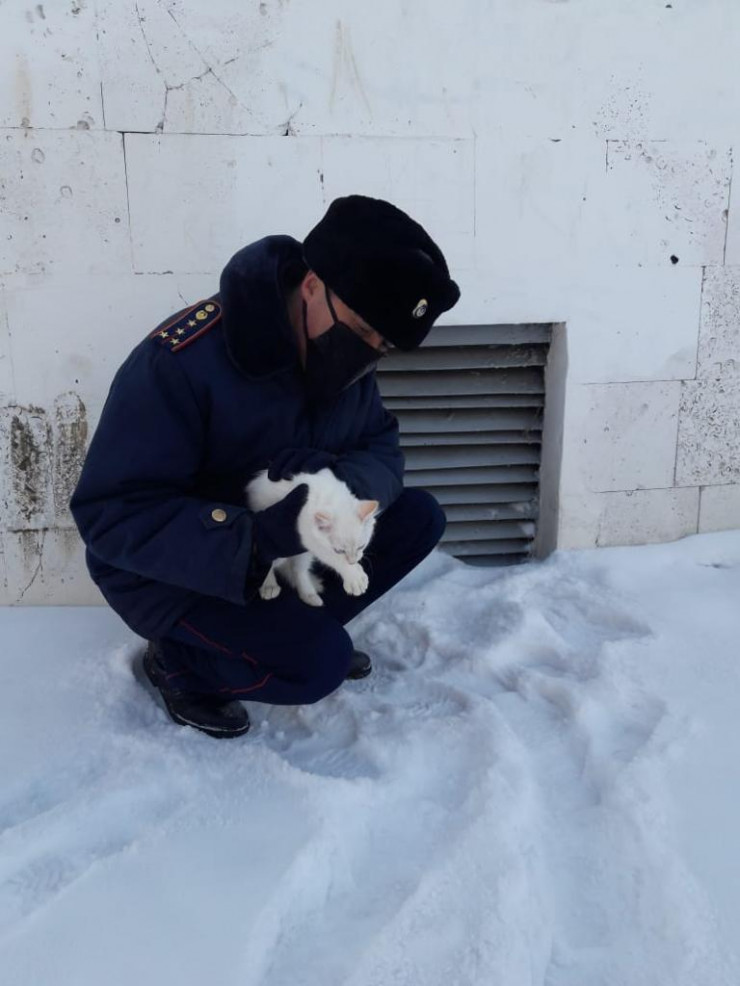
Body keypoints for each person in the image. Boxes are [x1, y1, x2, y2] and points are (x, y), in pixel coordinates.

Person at [69, 195, 461, 738]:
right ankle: (179, 665)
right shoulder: (179, 363)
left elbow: (381, 448)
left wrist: (337, 488)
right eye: (362, 330)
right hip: (175, 573)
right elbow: (111, 513)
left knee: (419, 517)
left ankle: (290, 632)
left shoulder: (344, 352)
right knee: (317, 666)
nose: (369, 352)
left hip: (283, 557)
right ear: (312, 285)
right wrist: (251, 540)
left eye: (383, 344)